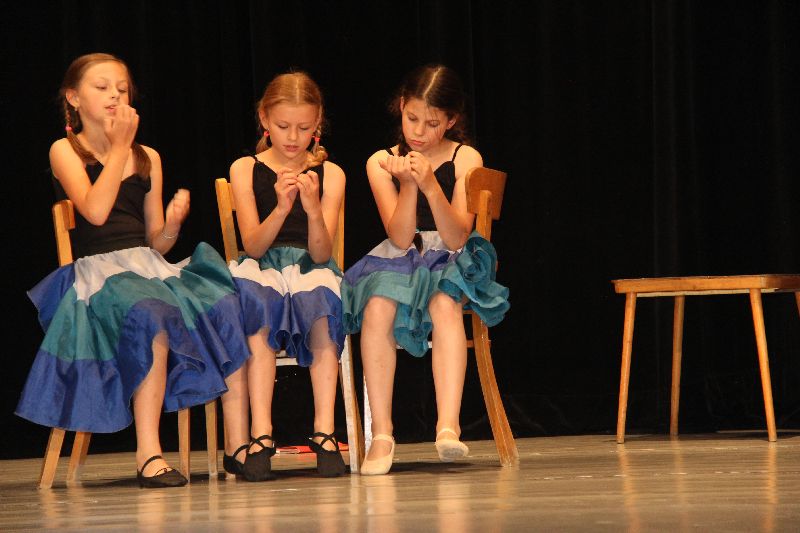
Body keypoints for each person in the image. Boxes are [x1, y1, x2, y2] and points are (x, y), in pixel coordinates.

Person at [16, 53, 249, 488]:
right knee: (151, 312)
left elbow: (155, 241)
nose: (114, 96)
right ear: (73, 98)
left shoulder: (148, 157)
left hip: (146, 265)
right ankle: (149, 453)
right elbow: (96, 211)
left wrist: (172, 225)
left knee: (226, 301)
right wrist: (119, 145)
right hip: (99, 274)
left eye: (121, 89)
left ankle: (238, 446)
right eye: (102, 87)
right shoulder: (66, 150)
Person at [342, 64, 510, 475]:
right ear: (401, 106)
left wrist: (431, 185)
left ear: (450, 120)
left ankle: (448, 426)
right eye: (411, 118)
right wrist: (408, 184)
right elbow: (400, 239)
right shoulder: (381, 162)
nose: (418, 131)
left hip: (450, 257)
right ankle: (382, 434)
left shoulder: (464, 157)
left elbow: (456, 237)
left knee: (444, 303)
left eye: (432, 123)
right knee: (377, 306)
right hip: (402, 256)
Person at [223, 71, 347, 481]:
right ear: (264, 119)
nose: (293, 137)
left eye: (304, 128)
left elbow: (323, 253)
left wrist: (312, 209)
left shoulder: (332, 174)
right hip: (262, 264)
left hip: (311, 264)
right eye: (282, 126)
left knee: (321, 308)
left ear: (318, 123)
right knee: (257, 308)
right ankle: (262, 432)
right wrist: (280, 207)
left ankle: (325, 431)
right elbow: (253, 246)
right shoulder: (246, 168)